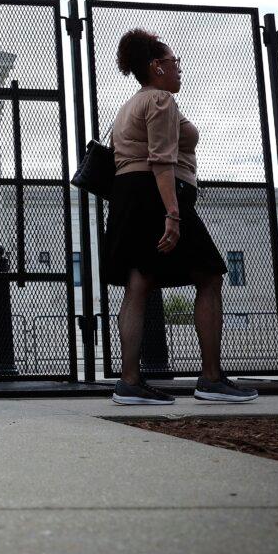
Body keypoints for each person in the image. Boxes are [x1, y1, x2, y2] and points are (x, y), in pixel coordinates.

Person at [103, 28, 258, 405]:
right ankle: (210, 378)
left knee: (138, 283)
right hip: (156, 195)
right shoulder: (159, 101)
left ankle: (129, 382)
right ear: (156, 66)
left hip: (128, 197)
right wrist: (173, 214)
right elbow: (161, 162)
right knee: (210, 275)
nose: (179, 69)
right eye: (175, 63)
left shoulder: (128, 106)